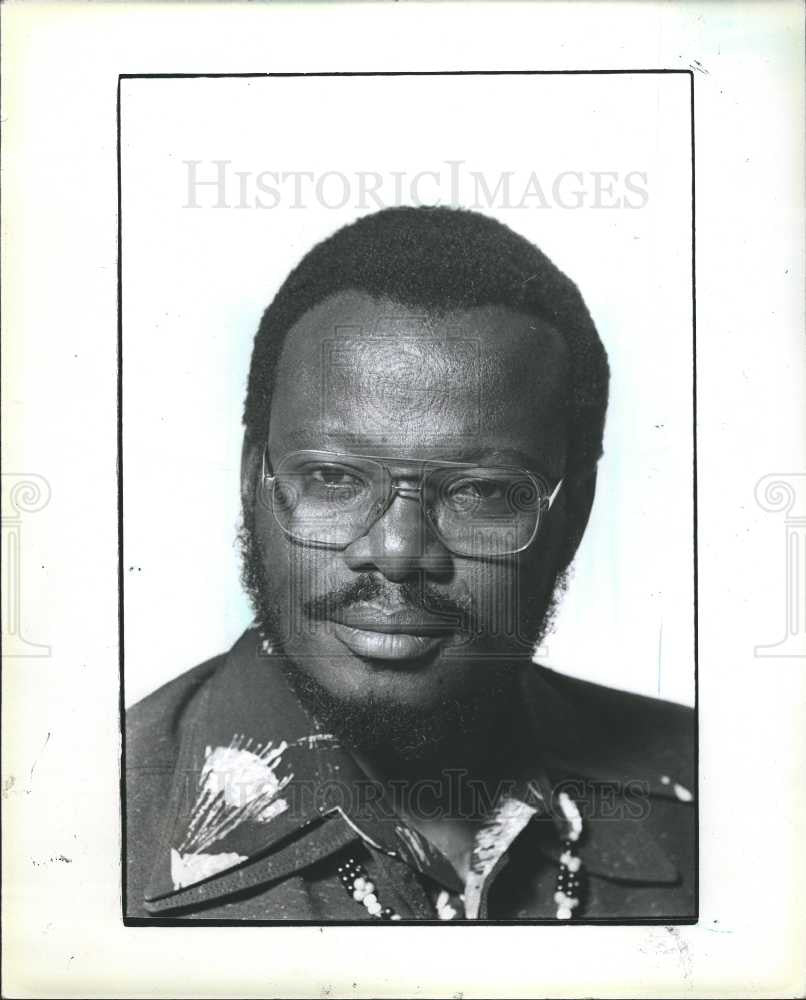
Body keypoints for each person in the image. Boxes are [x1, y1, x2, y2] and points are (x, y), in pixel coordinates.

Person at [125, 206, 695, 922]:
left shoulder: (734, 800)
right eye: (333, 478)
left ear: (573, 514)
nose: (397, 552)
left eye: (483, 491)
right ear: (252, 482)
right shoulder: (69, 825)